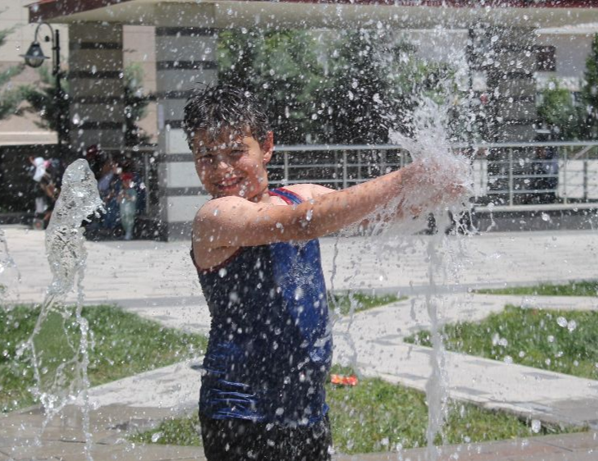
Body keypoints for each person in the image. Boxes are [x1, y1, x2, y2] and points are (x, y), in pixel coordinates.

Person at [184, 85, 465, 460]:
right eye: (206, 155)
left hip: (306, 407)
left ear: (266, 146)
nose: (222, 169)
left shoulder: (297, 195)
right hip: (240, 411)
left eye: (236, 152)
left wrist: (436, 191)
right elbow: (301, 225)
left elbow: (368, 214)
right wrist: (406, 177)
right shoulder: (215, 217)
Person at [118, 172, 137, 240]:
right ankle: (127, 232)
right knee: (124, 222)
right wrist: (121, 196)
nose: (126, 184)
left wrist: (127, 196)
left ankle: (129, 233)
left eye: (128, 182)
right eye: (125, 182)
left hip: (130, 210)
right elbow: (118, 200)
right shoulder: (122, 191)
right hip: (123, 211)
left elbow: (133, 199)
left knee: (129, 222)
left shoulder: (132, 191)